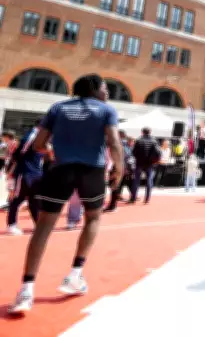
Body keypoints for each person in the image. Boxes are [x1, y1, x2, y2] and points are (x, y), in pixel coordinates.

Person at [8, 74, 123, 315]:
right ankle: (75, 274)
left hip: (60, 169)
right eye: (105, 87)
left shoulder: (58, 108)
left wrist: (53, 150)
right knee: (92, 218)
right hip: (92, 170)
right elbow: (113, 141)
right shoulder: (106, 110)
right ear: (94, 89)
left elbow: (39, 143)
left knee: (43, 226)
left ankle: (26, 289)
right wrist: (120, 169)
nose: (108, 92)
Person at [6, 124, 45, 235]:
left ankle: (38, 224)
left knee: (34, 200)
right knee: (17, 199)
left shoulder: (42, 137)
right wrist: (15, 170)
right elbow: (19, 153)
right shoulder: (31, 136)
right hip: (26, 173)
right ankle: (12, 224)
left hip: (36, 173)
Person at [130, 128, 161, 204]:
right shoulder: (154, 141)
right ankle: (147, 199)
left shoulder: (138, 140)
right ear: (150, 132)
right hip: (149, 164)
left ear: (142, 132)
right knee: (149, 180)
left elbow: (133, 152)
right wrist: (154, 161)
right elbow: (158, 153)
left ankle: (133, 198)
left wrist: (138, 157)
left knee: (136, 180)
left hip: (139, 163)